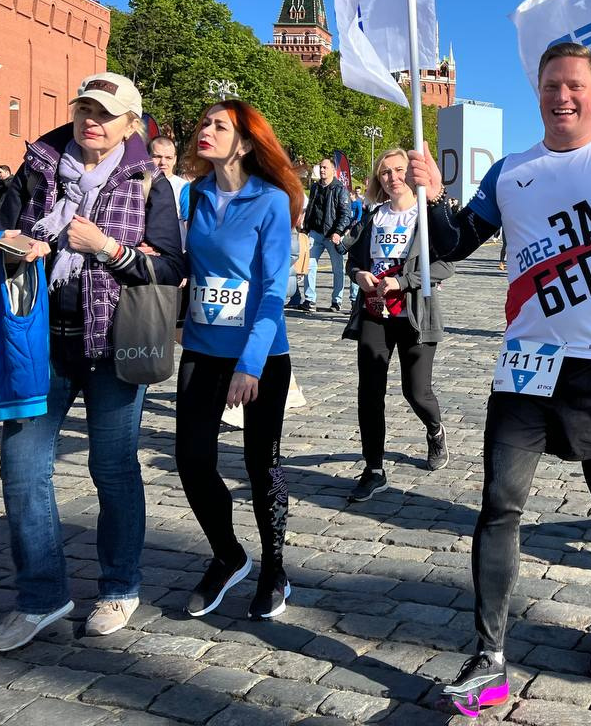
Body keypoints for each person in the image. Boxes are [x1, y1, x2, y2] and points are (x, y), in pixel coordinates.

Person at [408, 42, 591, 712]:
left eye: (573, 87)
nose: (561, 97)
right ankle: (490, 655)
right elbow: (453, 243)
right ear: (538, 94)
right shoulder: (510, 171)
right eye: (549, 87)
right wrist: (430, 197)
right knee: (500, 503)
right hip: (525, 367)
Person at [0, 73, 186, 650]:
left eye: (104, 112)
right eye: (84, 109)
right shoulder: (40, 165)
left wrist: (105, 248)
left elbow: (171, 267)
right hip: (40, 340)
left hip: (115, 344)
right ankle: (41, 596)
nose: (90, 120)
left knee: (114, 468)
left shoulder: (149, 180)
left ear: (131, 123)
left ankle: (120, 585)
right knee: (21, 467)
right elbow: (1, 232)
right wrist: (21, 245)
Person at [175, 100, 301, 621]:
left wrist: (249, 364)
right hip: (202, 349)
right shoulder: (196, 193)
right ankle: (228, 554)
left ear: (245, 143)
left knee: (259, 464)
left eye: (218, 126)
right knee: (192, 459)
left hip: (260, 354)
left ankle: (275, 567)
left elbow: (274, 289)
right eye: (203, 122)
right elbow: (185, 263)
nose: (205, 131)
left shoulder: (270, 201)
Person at [345, 149, 454, 502]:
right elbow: (355, 260)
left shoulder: (425, 218)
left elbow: (445, 266)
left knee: (415, 391)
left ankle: (435, 431)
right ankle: (373, 468)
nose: (393, 178)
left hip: (415, 314)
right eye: (386, 173)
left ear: (412, 174)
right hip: (375, 313)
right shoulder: (374, 217)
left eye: (399, 170)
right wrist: (359, 273)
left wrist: (403, 281)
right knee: (370, 391)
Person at [298, 159, 351, 313]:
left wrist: (338, 232)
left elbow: (346, 214)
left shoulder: (340, 189)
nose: (322, 170)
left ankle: (337, 301)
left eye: (325, 168)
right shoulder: (315, 187)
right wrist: (306, 228)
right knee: (309, 265)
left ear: (333, 171)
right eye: (320, 167)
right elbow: (311, 208)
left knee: (337, 269)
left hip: (332, 234)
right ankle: (309, 299)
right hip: (315, 232)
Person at [148, 136, 189, 236]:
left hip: (173, 248)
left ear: (175, 160)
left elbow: (189, 224)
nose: (163, 162)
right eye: (157, 157)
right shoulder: (139, 184)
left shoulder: (183, 187)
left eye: (168, 158)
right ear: (147, 156)